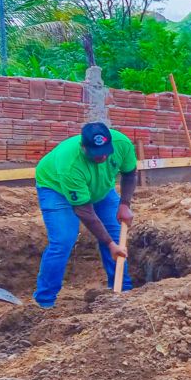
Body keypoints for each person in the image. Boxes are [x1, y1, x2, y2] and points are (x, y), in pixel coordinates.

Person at [32, 121, 136, 308]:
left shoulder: (123, 144)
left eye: (105, 151)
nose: (102, 157)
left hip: (101, 189)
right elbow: (84, 210)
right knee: (63, 240)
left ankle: (122, 292)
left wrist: (125, 204)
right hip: (56, 189)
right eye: (96, 154)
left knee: (114, 232)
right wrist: (110, 244)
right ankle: (44, 301)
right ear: (83, 147)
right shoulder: (70, 164)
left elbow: (129, 173)